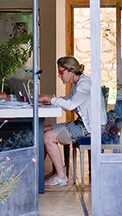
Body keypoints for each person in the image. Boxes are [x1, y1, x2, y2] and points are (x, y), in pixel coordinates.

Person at [38, 56, 91, 187]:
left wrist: (50, 99)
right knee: (42, 130)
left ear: (71, 71)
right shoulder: (78, 83)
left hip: (90, 127)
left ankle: (61, 176)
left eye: (61, 72)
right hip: (81, 123)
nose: (59, 76)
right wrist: (49, 100)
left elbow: (70, 105)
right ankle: (37, 172)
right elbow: (69, 99)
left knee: (48, 137)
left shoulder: (84, 85)